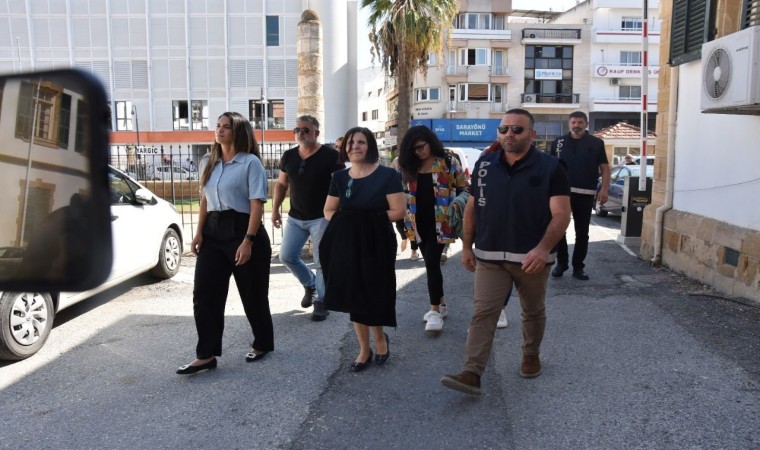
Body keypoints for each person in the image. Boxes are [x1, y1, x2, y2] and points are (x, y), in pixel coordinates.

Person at [440, 108, 570, 395]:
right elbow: (473, 208)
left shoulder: (551, 167)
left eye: (517, 129)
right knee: (483, 313)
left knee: (532, 311)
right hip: (489, 256)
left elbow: (562, 214)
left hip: (532, 259)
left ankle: (531, 355)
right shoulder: (485, 164)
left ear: (532, 134)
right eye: (504, 129)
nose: (509, 134)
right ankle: (472, 372)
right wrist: (466, 247)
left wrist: (543, 249)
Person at [177, 112, 273, 375]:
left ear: (238, 131)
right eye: (218, 126)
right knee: (204, 294)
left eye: (226, 127)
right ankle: (206, 355)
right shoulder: (208, 161)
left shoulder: (250, 163)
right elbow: (205, 199)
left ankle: (262, 342)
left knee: (252, 294)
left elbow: (257, 204)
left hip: (243, 229)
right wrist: (199, 232)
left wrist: (248, 240)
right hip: (213, 232)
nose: (219, 130)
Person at [320, 127, 406, 372]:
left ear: (370, 147)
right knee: (354, 294)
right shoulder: (339, 177)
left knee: (373, 291)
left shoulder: (387, 175)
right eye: (350, 143)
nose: (354, 146)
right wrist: (350, 223)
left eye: (360, 142)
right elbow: (328, 210)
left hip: (377, 240)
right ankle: (363, 349)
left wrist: (366, 220)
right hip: (347, 241)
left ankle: (379, 337)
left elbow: (398, 210)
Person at [271, 115, 344, 321]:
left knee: (321, 261)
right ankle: (310, 284)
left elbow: (340, 186)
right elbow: (282, 184)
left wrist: (337, 214)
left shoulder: (331, 156)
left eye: (305, 130)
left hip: (322, 217)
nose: (300, 133)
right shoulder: (289, 156)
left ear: (316, 133)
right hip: (296, 217)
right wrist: (275, 209)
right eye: (297, 130)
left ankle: (321, 301)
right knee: (287, 256)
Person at [397, 125, 468, 332]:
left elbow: (465, 188)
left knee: (431, 263)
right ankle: (442, 305)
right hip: (416, 223)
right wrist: (402, 227)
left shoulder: (448, 161)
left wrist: (458, 203)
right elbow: (400, 195)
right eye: (413, 149)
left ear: (430, 142)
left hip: (442, 223)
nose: (418, 152)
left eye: (421, 147)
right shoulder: (407, 166)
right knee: (431, 265)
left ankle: (434, 311)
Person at [549, 111, 610, 281]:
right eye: (574, 122)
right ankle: (561, 264)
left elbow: (605, 168)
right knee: (558, 230)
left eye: (580, 122)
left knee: (582, 232)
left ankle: (578, 267)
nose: (577, 125)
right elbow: (550, 167)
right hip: (561, 194)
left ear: (586, 124)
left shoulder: (597, 143)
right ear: (569, 124)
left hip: (585, 193)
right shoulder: (559, 142)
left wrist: (604, 189)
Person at [390, 155, 419, 259]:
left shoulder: (417, 160)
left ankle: (414, 250)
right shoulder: (397, 160)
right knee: (399, 225)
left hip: (414, 197)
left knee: (411, 225)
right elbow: (391, 176)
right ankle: (404, 238)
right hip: (399, 196)